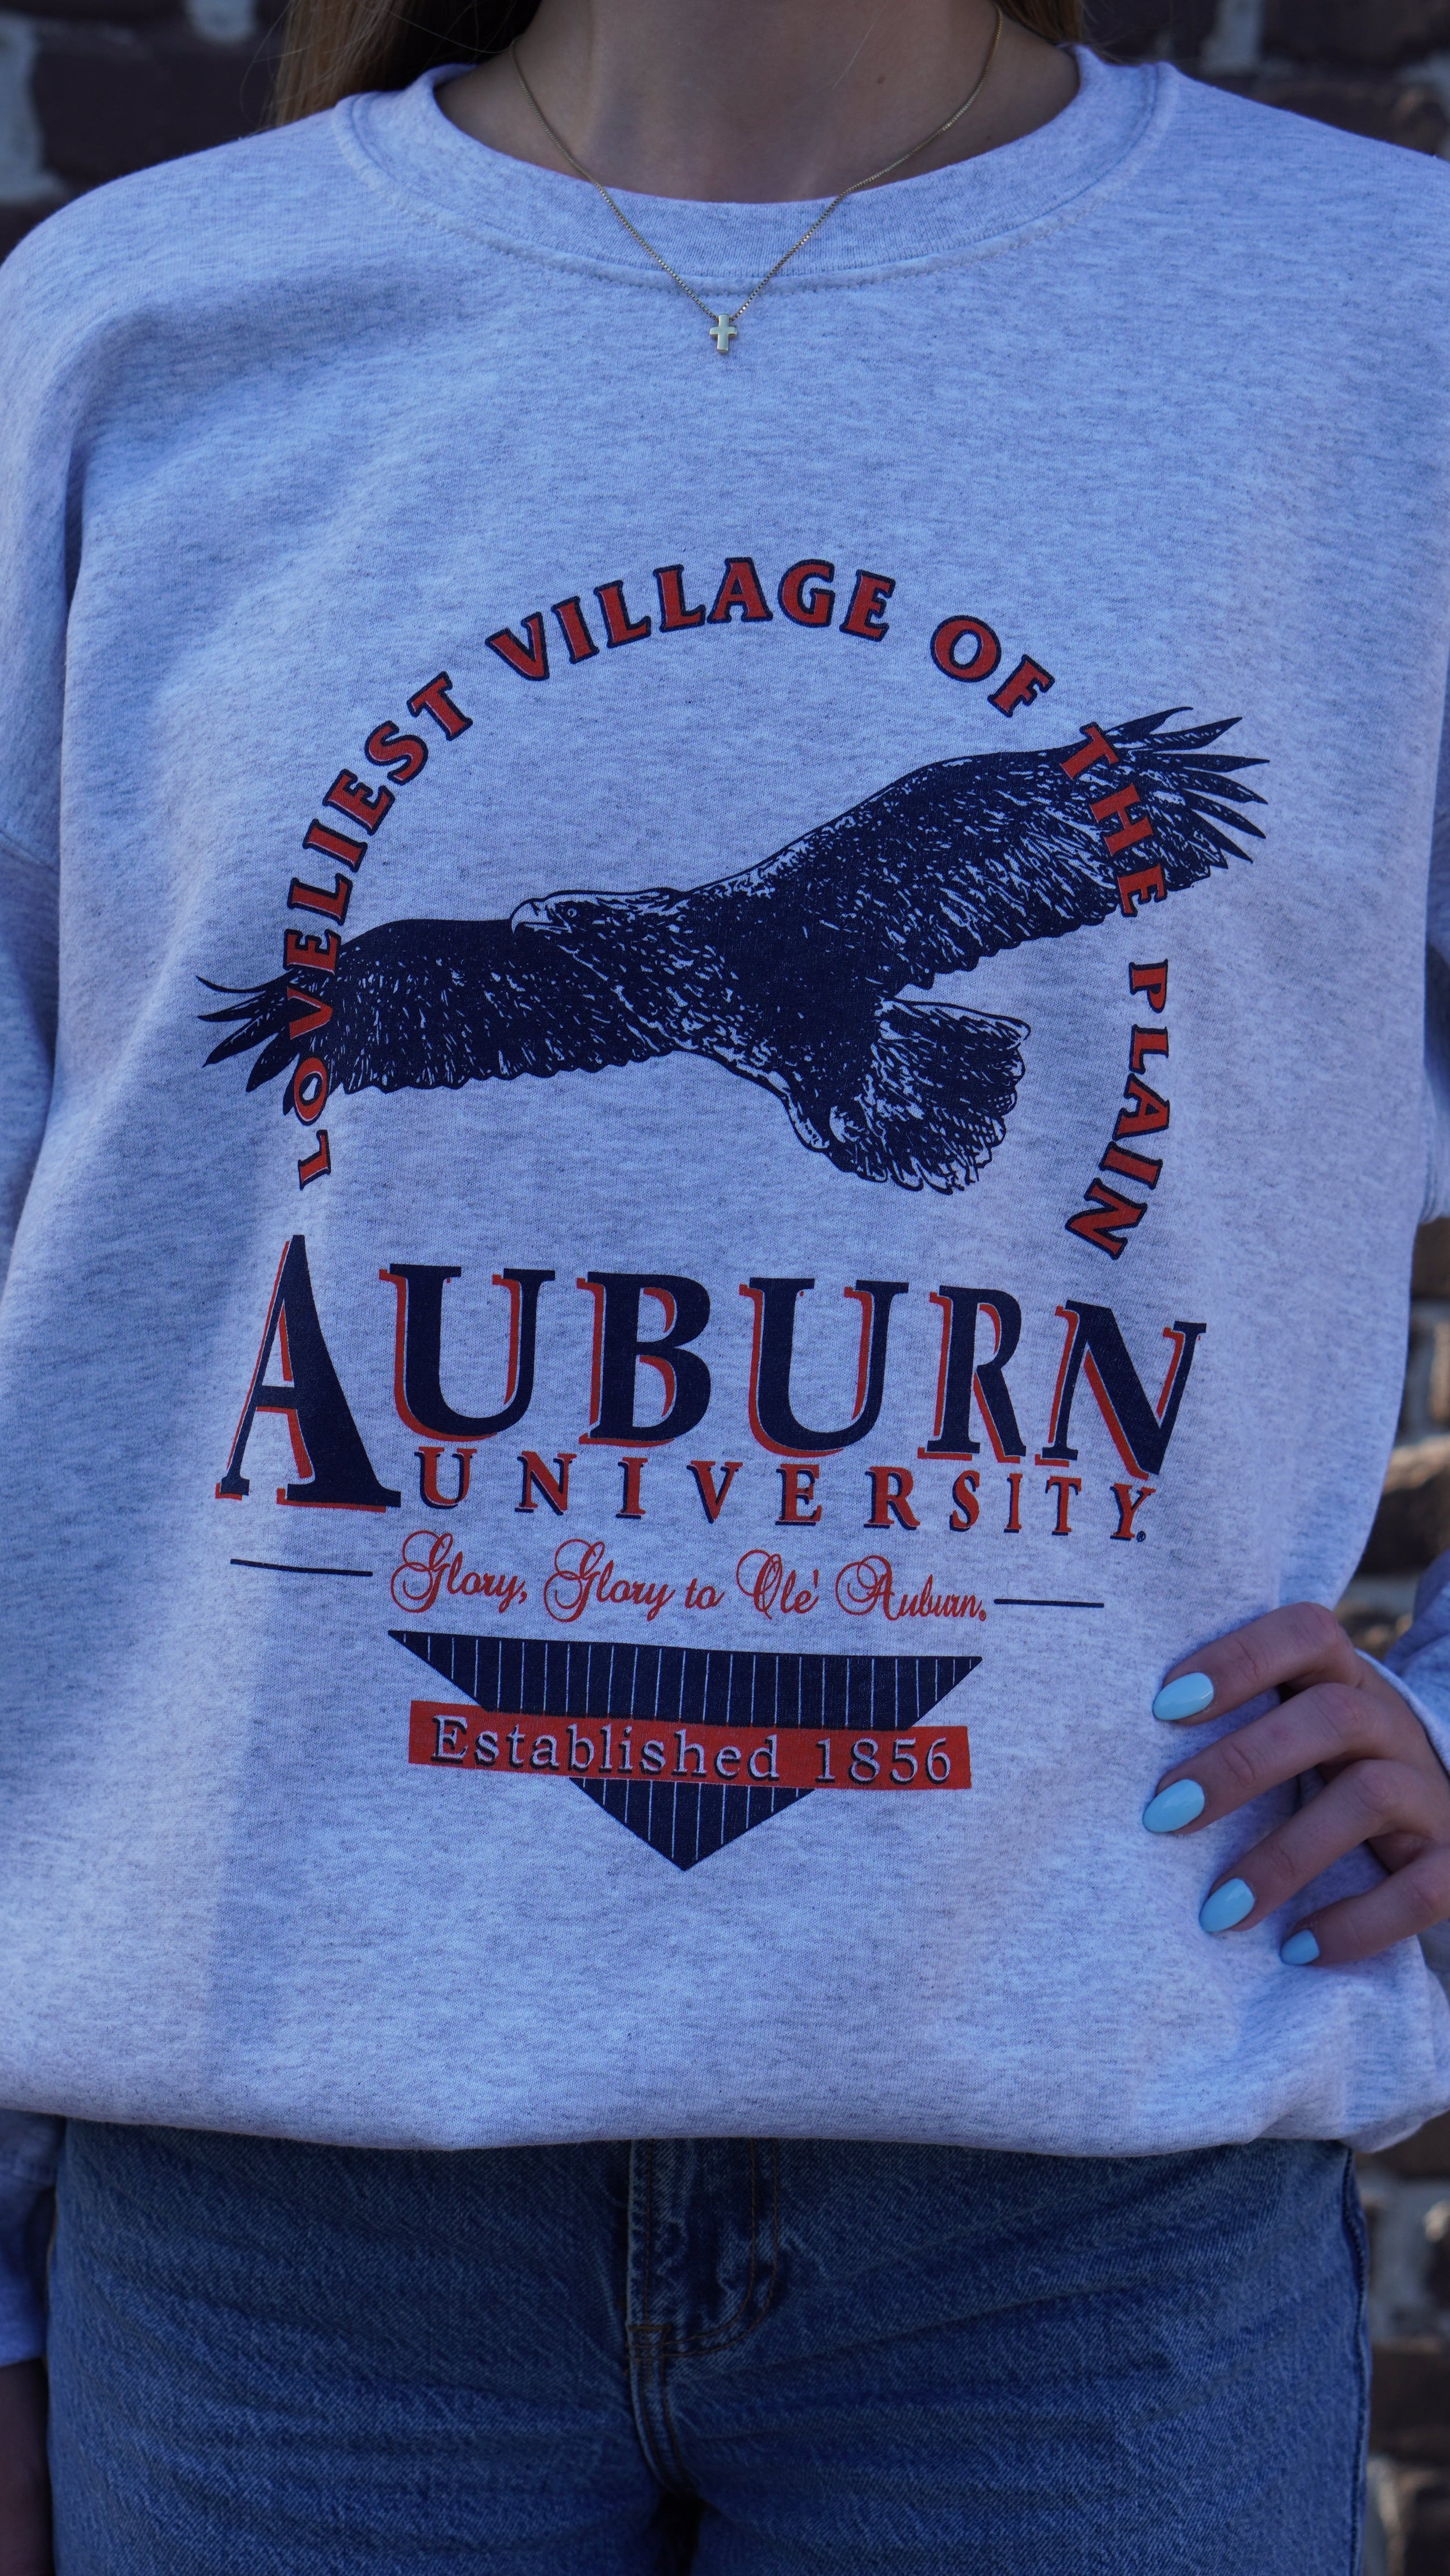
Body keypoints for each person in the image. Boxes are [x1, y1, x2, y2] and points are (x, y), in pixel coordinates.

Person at [3, 0, 1450, 2564]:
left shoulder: (1384, 318)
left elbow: (1112, 810)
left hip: (1076, 2213)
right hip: (282, 2225)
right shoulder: (128, 319)